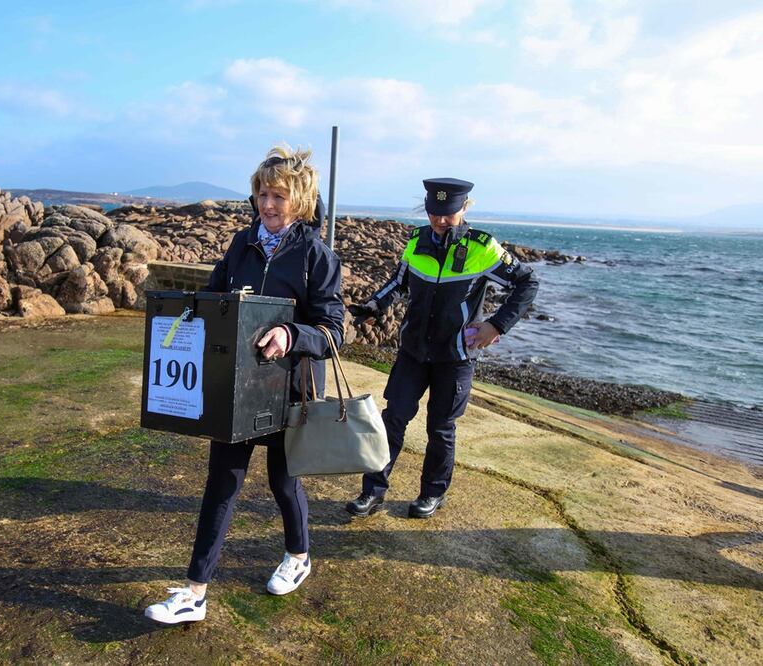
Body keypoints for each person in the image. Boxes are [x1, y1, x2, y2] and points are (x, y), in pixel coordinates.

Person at [144, 145, 344, 624]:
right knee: (222, 483)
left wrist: (291, 333)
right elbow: (214, 298)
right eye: (261, 194)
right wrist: (189, 312)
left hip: (290, 388)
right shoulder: (241, 244)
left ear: (300, 199)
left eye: (278, 195)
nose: (268, 204)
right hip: (237, 388)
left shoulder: (317, 256)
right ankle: (195, 591)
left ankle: (298, 556)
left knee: (283, 481)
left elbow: (334, 330)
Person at [345, 178, 538, 519]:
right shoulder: (417, 240)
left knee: (441, 427)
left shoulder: (483, 246)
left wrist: (496, 325)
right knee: (393, 419)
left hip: (456, 356)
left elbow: (526, 282)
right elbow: (397, 281)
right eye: (435, 212)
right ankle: (372, 491)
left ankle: (432, 493)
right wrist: (373, 306)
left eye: (448, 213)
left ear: (464, 208)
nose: (440, 220)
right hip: (413, 351)